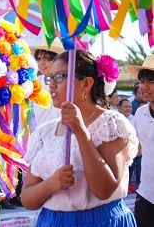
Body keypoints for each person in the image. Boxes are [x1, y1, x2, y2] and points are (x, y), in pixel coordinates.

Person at [22, 50, 138, 226]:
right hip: (52, 221)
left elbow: (104, 190)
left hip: (100, 220)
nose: (51, 85)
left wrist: (81, 133)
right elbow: (27, 199)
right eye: (50, 78)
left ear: (86, 84)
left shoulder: (111, 124)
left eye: (59, 77)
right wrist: (51, 184)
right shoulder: (45, 132)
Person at [126, 55, 154, 226]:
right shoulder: (140, 114)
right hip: (146, 194)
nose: (144, 87)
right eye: (142, 81)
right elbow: (136, 147)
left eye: (151, 82)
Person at [29, 38, 65, 128]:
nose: (41, 63)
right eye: (38, 58)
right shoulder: (33, 84)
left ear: (57, 59)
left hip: (63, 134)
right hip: (40, 136)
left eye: (46, 58)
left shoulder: (69, 81)